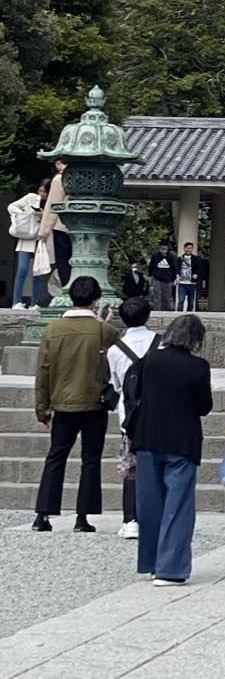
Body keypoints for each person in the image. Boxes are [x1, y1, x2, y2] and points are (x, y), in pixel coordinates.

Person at [32, 274, 119, 533]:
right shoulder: (104, 331)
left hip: (62, 403)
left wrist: (42, 408)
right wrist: (105, 323)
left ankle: (42, 515)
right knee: (90, 459)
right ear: (95, 300)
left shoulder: (53, 330)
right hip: (94, 403)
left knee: (56, 457)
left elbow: (43, 370)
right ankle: (83, 517)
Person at [133, 312, 213, 584]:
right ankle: (171, 568)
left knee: (150, 505)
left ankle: (152, 562)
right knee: (177, 506)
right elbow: (204, 406)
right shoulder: (198, 367)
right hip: (182, 440)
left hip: (148, 436)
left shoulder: (151, 359)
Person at [107, 295, 157, 540]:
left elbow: (116, 386)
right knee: (158, 466)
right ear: (148, 316)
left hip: (130, 417)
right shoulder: (161, 343)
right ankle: (154, 516)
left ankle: (131, 520)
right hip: (159, 414)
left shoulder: (115, 350)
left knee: (131, 468)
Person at [7, 183, 48, 309]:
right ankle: (16, 301)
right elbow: (11, 207)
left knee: (38, 272)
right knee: (22, 269)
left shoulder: (52, 202)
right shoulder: (31, 197)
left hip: (41, 239)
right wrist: (26, 214)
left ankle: (35, 303)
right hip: (26, 238)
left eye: (45, 192)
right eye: (40, 190)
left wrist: (43, 215)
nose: (42, 194)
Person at [38, 160, 73, 289]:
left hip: (62, 225)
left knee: (63, 261)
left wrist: (44, 230)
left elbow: (52, 205)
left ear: (58, 163)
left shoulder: (60, 178)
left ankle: (67, 290)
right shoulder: (85, 175)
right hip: (84, 226)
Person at [148, 240, 179, 310]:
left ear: (167, 247)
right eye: (162, 249)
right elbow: (151, 266)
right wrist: (150, 277)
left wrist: (176, 276)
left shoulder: (171, 256)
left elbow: (175, 267)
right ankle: (157, 311)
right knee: (157, 297)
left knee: (167, 298)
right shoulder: (155, 255)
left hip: (168, 279)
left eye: (165, 249)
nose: (164, 250)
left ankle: (166, 311)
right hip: (157, 278)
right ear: (160, 247)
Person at [175, 242, 204, 312]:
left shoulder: (196, 259)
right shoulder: (179, 259)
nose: (189, 250)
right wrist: (177, 277)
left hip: (192, 283)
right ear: (184, 248)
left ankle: (189, 315)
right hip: (182, 283)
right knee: (181, 300)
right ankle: (179, 314)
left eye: (190, 248)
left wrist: (196, 274)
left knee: (191, 301)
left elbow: (199, 268)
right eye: (187, 248)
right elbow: (177, 269)